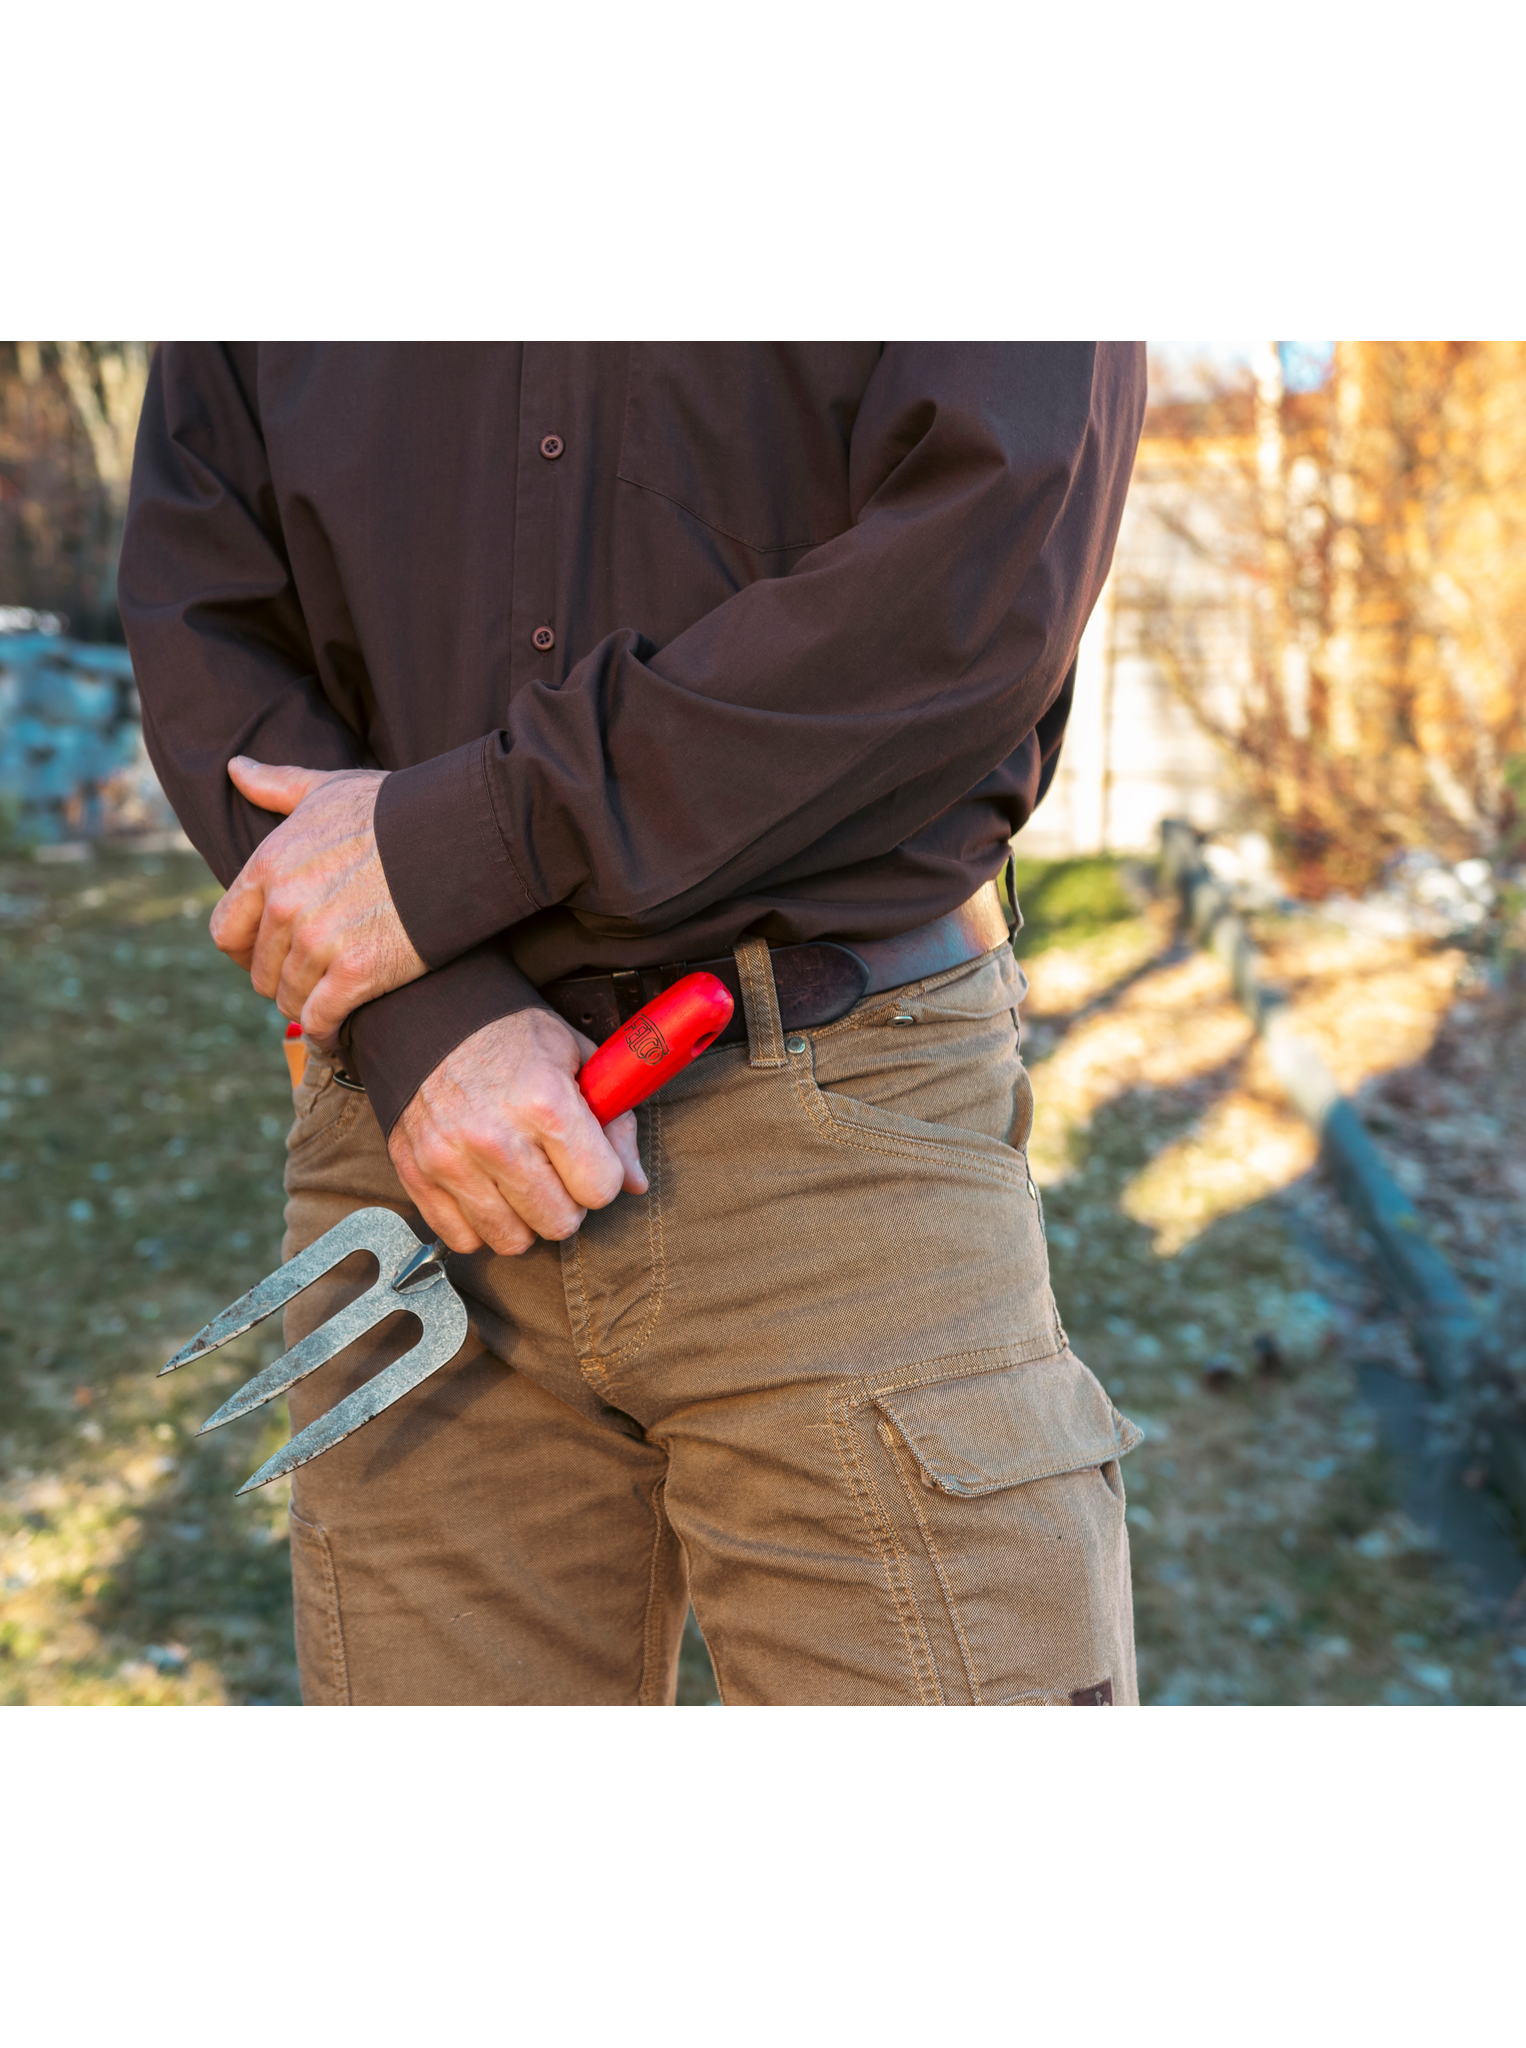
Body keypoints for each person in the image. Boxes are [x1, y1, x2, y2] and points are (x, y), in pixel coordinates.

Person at [119, 342, 1146, 1721]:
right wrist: (428, 1020)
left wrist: (469, 845)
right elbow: (204, 610)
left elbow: (975, 578)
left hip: (838, 1129)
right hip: (418, 1164)